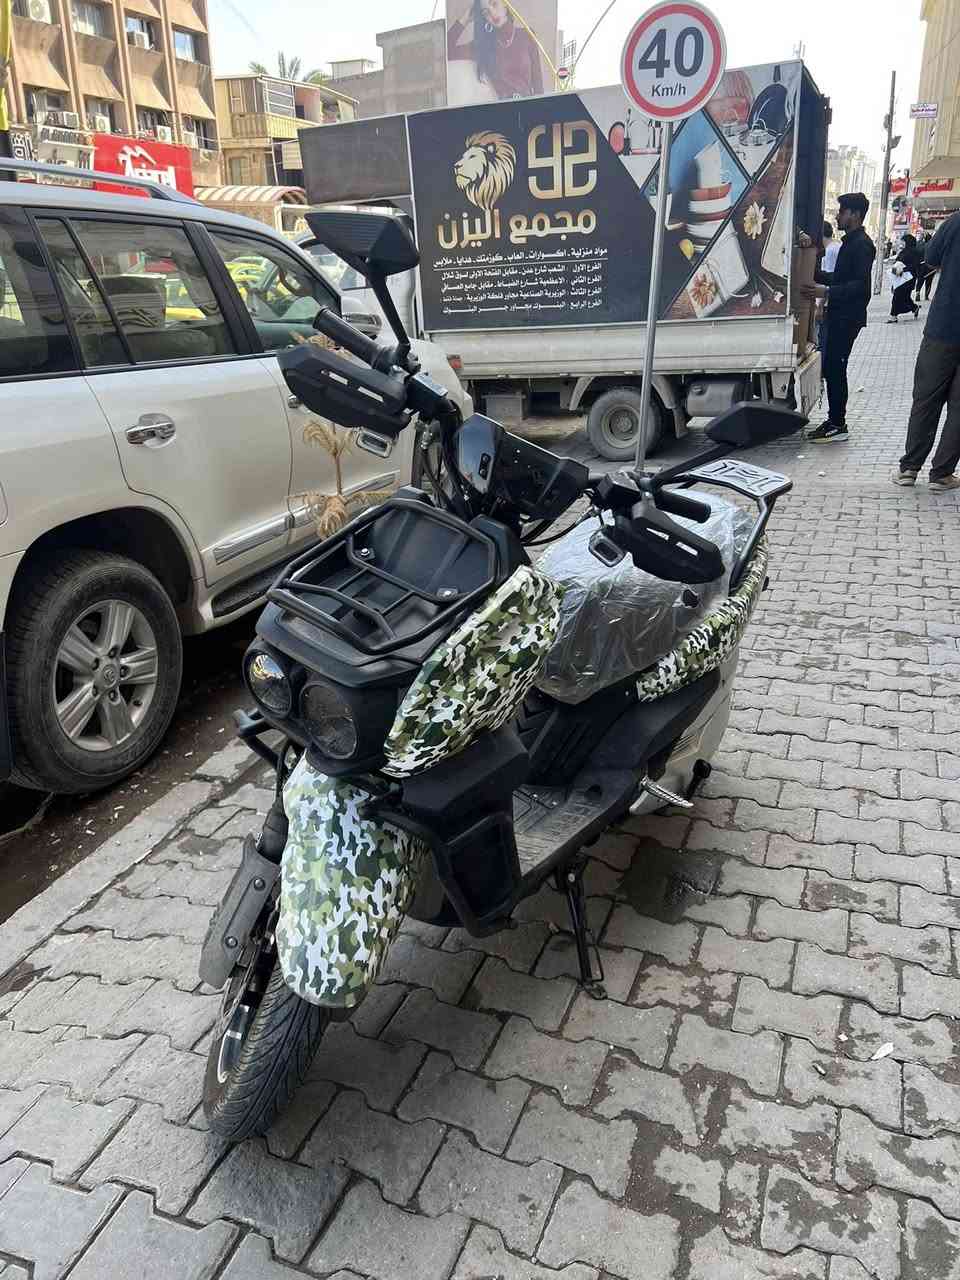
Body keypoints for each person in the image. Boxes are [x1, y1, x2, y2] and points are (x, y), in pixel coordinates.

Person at [892, 210, 960, 491]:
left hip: (943, 325)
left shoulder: (955, 222)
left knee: (926, 399)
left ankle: (909, 468)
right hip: (943, 326)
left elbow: (930, 258)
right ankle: (942, 474)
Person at [802, 192, 876, 442]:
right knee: (833, 368)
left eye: (842, 211)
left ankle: (838, 424)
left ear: (855, 214)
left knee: (836, 368)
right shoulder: (850, 242)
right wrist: (817, 275)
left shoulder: (862, 244)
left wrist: (827, 291)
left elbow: (861, 287)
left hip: (847, 318)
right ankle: (834, 420)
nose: (837, 216)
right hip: (839, 315)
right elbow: (842, 278)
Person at [447, 0, 544, 101]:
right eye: (485, 12)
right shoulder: (482, 46)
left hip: (528, 107)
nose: (492, 13)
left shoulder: (527, 35)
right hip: (502, 108)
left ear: (505, 3)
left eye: (494, 3)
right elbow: (446, 53)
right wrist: (464, 19)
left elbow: (538, 86)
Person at [888, 233, 922, 322]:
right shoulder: (902, 252)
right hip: (899, 277)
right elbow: (897, 262)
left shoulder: (915, 252)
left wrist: (903, 269)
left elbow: (915, 266)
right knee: (905, 298)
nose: (901, 243)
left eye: (903, 241)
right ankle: (914, 308)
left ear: (908, 242)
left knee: (897, 297)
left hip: (908, 278)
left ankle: (893, 316)